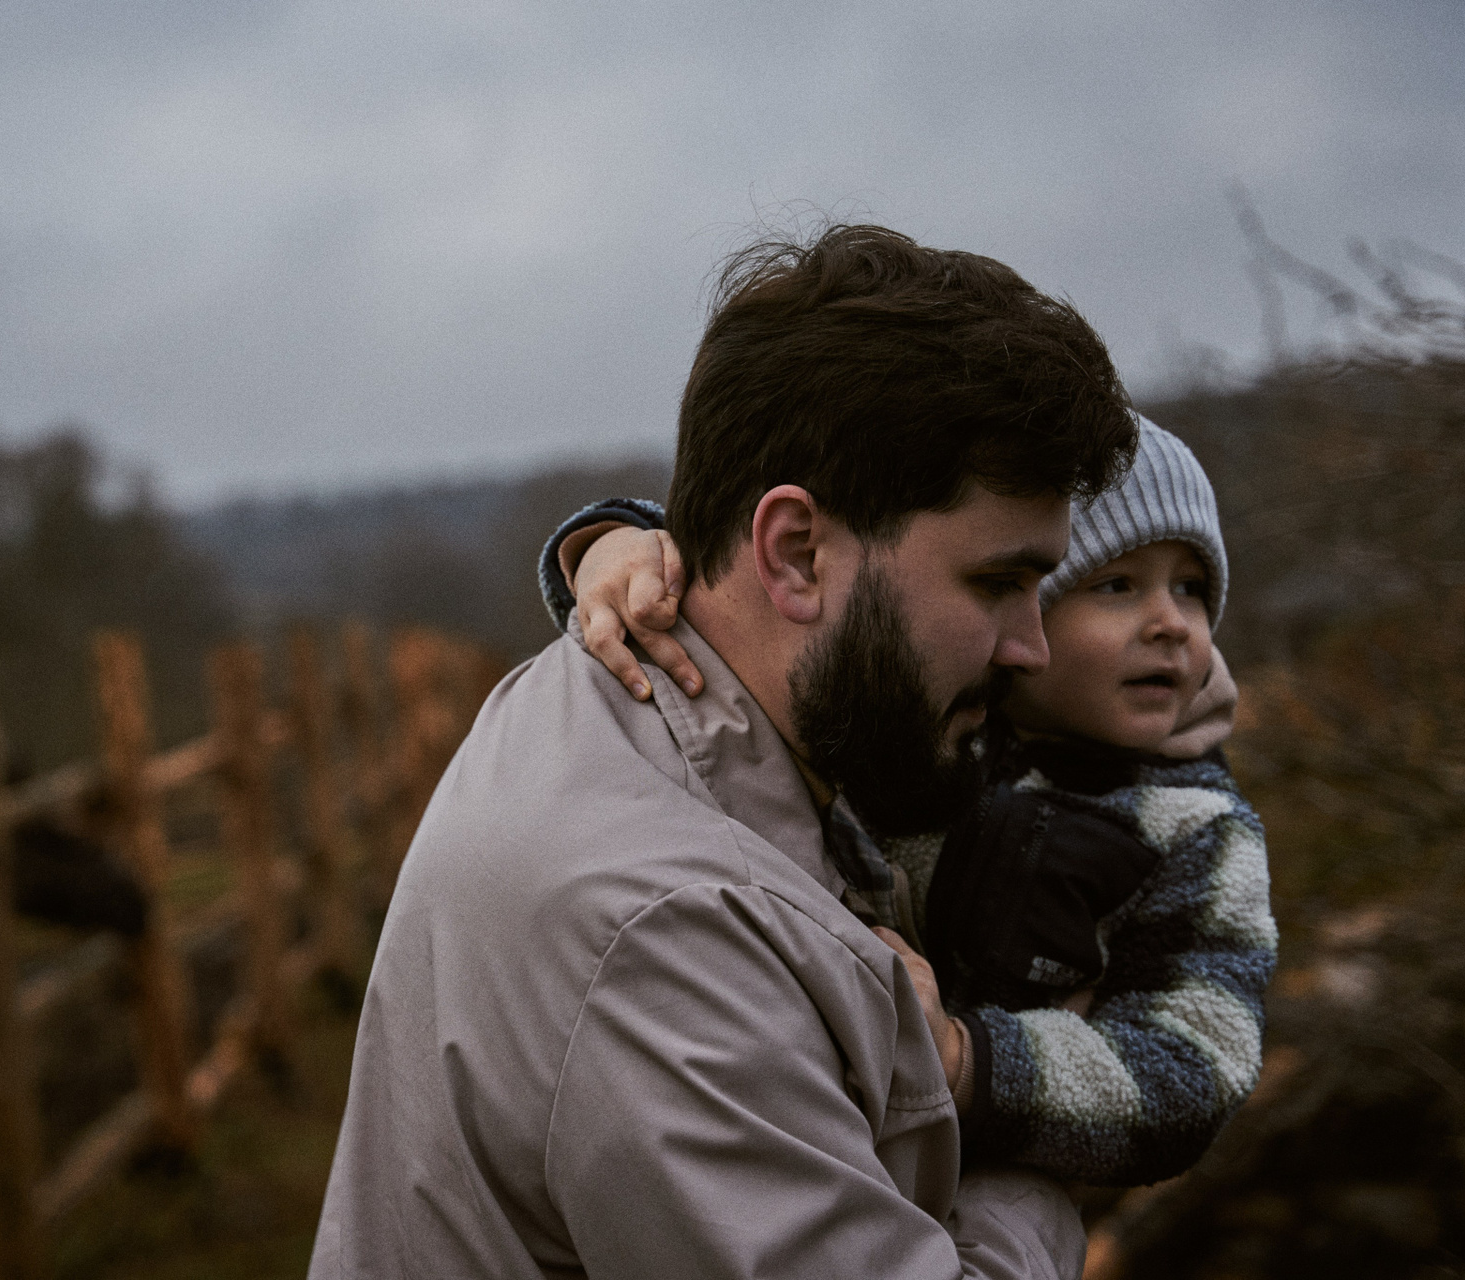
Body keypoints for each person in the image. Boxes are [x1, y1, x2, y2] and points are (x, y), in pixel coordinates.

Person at [308, 224, 1137, 1279]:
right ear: (793, 552)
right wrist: (1049, 1123)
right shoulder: (669, 933)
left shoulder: (613, 708)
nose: (1032, 647)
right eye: (996, 582)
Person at [541, 418, 1277, 1188]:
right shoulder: (926, 720)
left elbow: (1193, 1070)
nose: (1171, 624)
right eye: (1117, 586)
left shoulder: (1199, 832)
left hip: (965, 1191)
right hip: (795, 1125)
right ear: (1018, 601)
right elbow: (772, 607)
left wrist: (968, 1059)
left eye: (1191, 588)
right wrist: (615, 547)